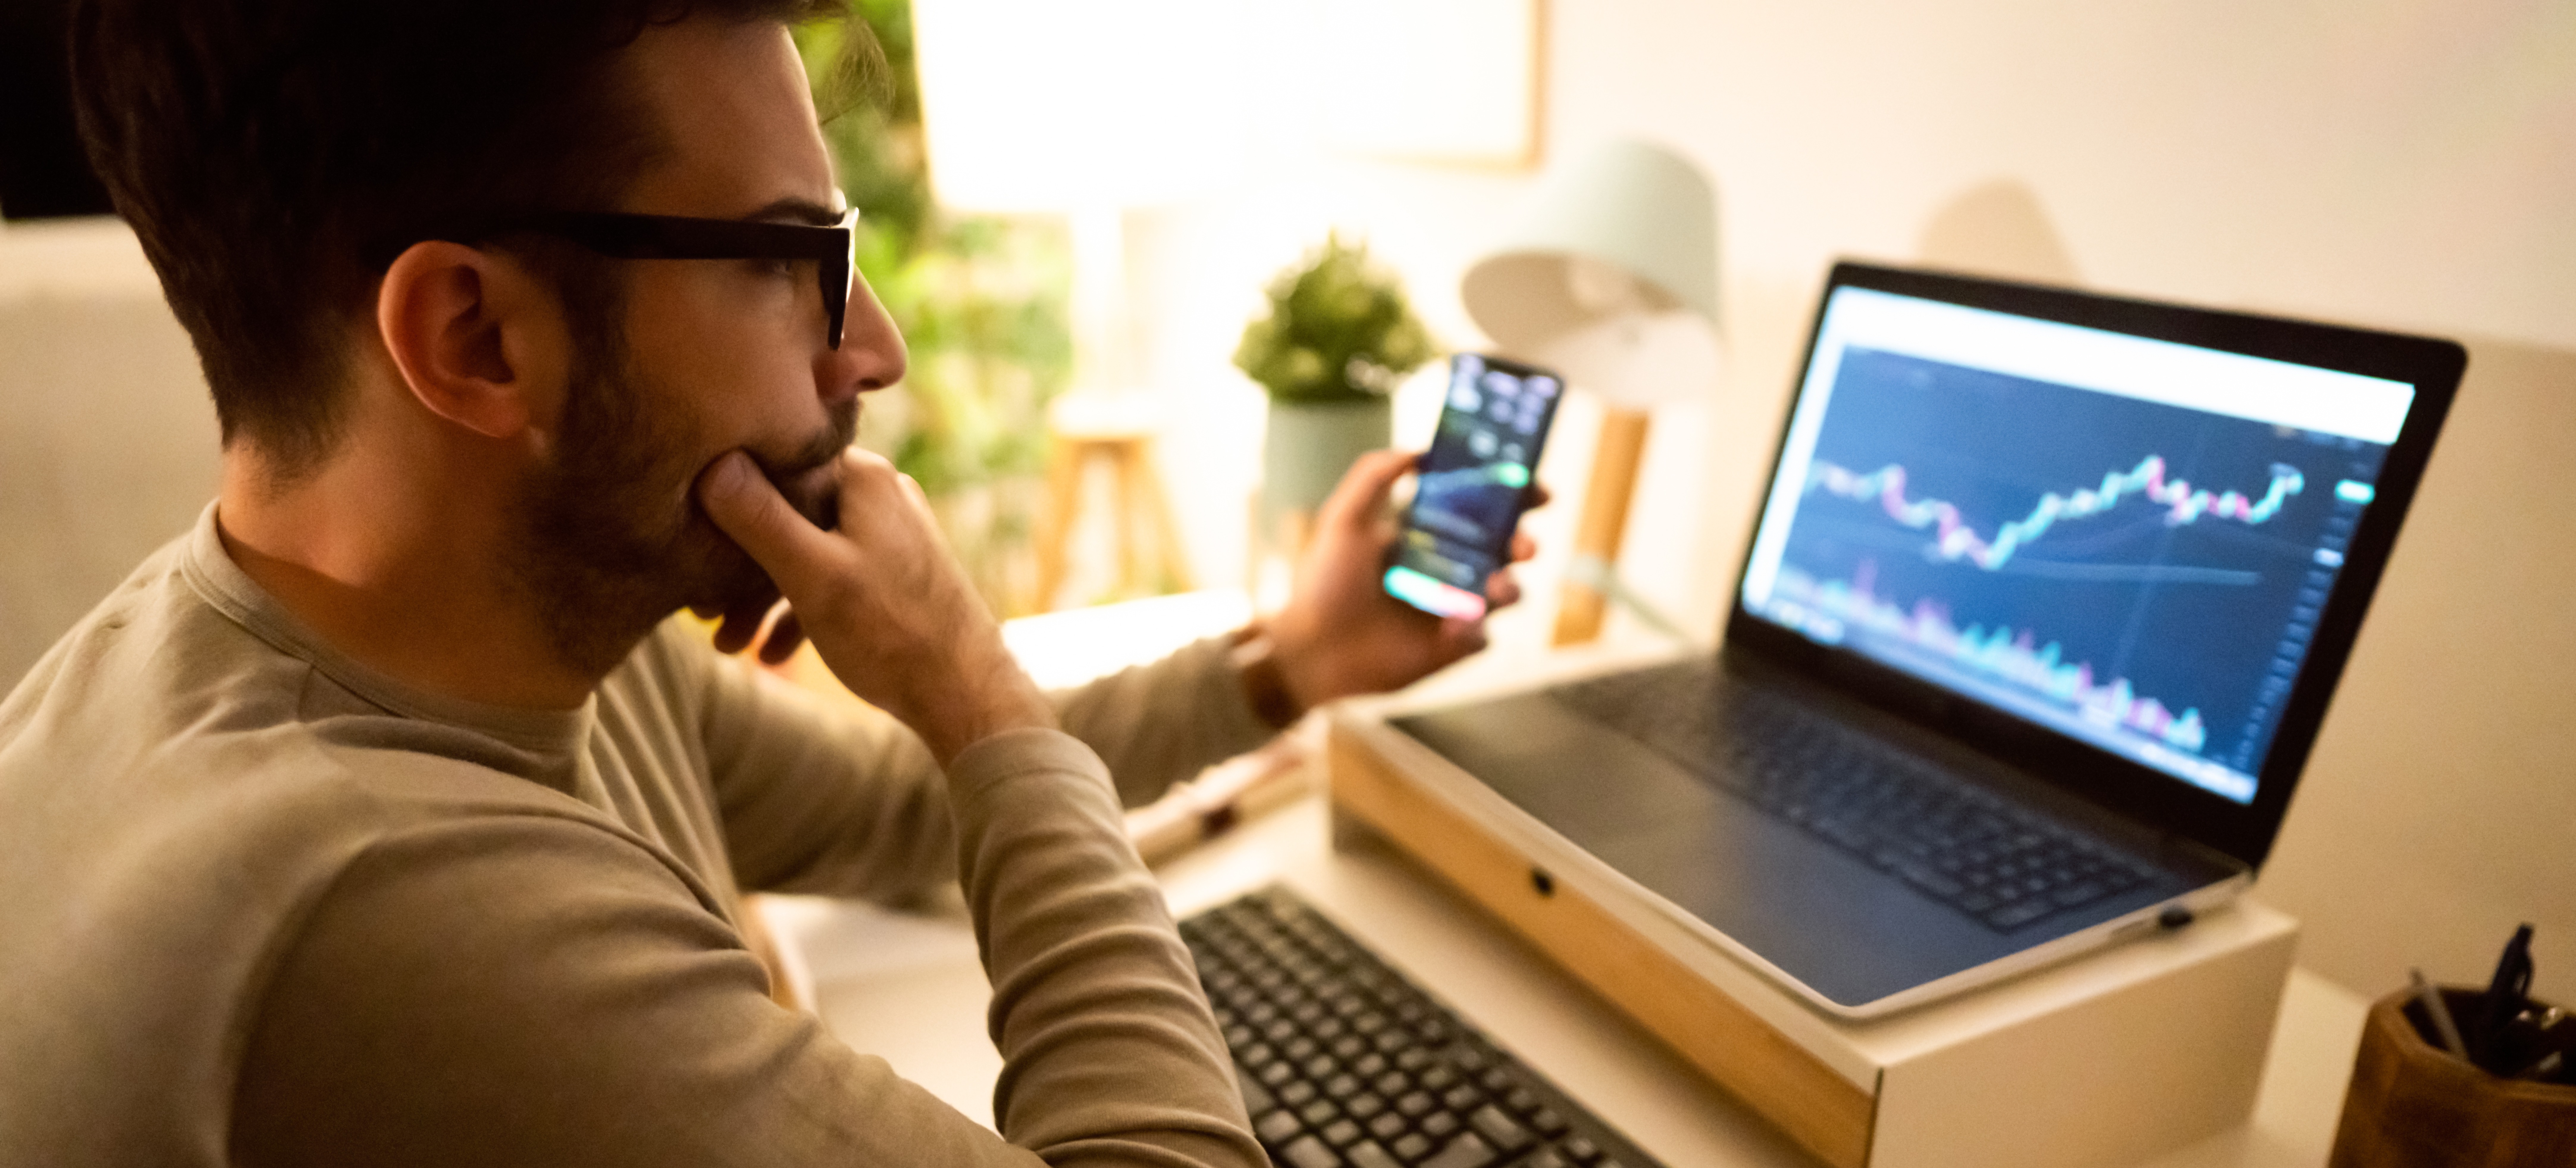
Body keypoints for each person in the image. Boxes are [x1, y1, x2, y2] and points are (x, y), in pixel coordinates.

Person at [0, 1, 1540, 1165]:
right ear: (473, 337)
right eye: (784, 255)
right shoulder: (373, 905)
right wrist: (977, 687)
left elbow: (889, 814)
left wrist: (1289, 661)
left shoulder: (445, 631)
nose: (874, 347)